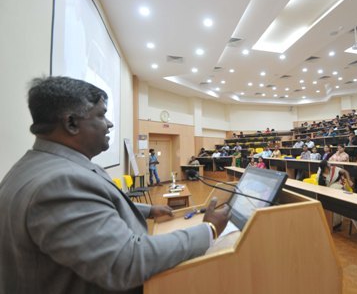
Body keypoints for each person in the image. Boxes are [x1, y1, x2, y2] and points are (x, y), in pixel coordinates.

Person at [0, 77, 230, 294]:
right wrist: (208, 230)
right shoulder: (59, 183)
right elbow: (126, 262)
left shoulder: (36, 167)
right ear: (71, 122)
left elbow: (92, 207)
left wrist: (148, 210)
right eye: (101, 115)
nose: (109, 124)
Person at [316, 160, 353, 231]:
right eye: (328, 164)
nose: (330, 165)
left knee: (337, 207)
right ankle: (329, 223)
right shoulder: (320, 176)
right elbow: (321, 188)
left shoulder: (334, 169)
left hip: (339, 191)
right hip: (327, 194)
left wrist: (349, 180)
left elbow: (345, 172)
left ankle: (337, 224)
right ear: (325, 167)